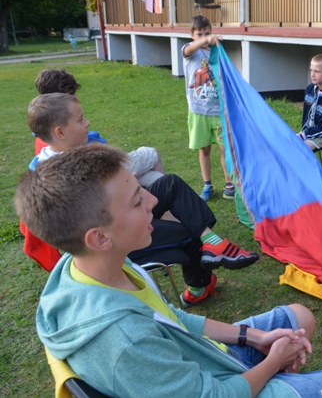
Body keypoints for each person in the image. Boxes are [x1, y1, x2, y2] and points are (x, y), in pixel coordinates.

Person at [17, 144, 322, 398]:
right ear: (100, 238)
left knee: (301, 317)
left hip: (200, 361)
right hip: (213, 386)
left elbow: (173, 319)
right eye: (136, 201)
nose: (152, 200)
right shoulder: (124, 341)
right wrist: (273, 361)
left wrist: (253, 338)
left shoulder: (92, 265)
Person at [26, 92, 259, 306]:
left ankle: (213, 241)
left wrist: (128, 187)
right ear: (60, 132)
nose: (87, 123)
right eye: (80, 120)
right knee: (188, 231)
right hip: (114, 237)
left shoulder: (79, 152)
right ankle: (200, 288)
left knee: (171, 184)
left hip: (125, 213)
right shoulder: (55, 175)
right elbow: (95, 217)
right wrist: (126, 191)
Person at [33, 68, 165, 188]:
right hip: (106, 175)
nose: (87, 123)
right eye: (71, 95)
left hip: (104, 171)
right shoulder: (57, 144)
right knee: (152, 153)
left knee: (159, 180)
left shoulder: (45, 132)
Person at [182, 15, 235, 201]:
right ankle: (207, 185)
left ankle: (230, 184)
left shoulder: (217, 52)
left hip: (218, 112)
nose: (204, 37)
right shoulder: (191, 52)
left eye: (207, 33)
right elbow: (188, 49)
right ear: (192, 35)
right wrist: (205, 40)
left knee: (224, 149)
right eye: (199, 34)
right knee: (204, 150)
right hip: (199, 112)